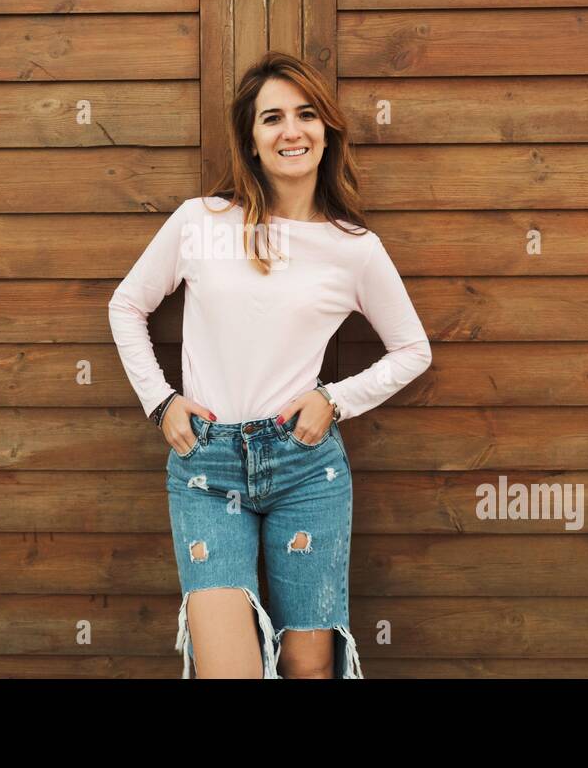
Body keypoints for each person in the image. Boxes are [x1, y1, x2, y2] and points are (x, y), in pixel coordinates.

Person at [107, 50, 433, 678]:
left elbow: (412, 350)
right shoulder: (202, 222)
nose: (291, 130)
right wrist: (160, 400)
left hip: (306, 469)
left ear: (326, 131)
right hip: (206, 464)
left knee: (309, 669)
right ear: (252, 140)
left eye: (306, 115)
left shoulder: (353, 250)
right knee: (230, 670)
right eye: (272, 118)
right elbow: (127, 304)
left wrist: (334, 399)